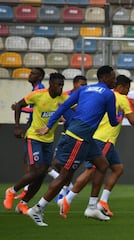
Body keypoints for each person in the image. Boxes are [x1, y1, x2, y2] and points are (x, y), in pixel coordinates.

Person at [26, 65, 120, 227]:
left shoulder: (85, 90)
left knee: (102, 165)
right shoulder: (109, 94)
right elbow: (112, 121)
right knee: (65, 176)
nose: (115, 80)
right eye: (113, 77)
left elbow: (63, 106)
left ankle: (92, 207)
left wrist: (49, 125)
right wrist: (119, 115)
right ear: (104, 77)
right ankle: (37, 208)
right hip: (79, 138)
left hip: (84, 136)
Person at [58, 74, 134, 218]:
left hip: (102, 139)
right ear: (121, 87)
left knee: (118, 168)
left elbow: (77, 107)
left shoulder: (103, 96)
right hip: (104, 139)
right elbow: (133, 121)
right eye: (127, 88)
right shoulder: (121, 98)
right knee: (92, 170)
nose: (128, 92)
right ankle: (68, 199)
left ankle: (102, 202)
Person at [3, 72, 67, 215]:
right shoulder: (38, 95)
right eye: (58, 85)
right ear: (51, 84)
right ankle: (11, 191)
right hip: (34, 138)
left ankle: (23, 204)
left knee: (42, 174)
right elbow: (19, 105)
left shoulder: (63, 98)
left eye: (62, 85)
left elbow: (77, 107)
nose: (61, 88)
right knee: (37, 170)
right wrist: (17, 126)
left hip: (49, 141)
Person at [10, 67, 46, 200]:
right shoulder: (35, 89)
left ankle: (26, 189)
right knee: (29, 160)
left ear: (40, 77)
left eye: (33, 74)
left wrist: (20, 108)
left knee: (35, 163)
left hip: (36, 129)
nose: (30, 75)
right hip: (33, 127)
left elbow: (36, 110)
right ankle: (26, 188)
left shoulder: (39, 89)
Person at [54, 75, 88, 202]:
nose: (84, 87)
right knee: (57, 162)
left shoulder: (86, 98)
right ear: (74, 84)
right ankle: (68, 186)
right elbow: (56, 107)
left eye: (85, 84)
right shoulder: (65, 96)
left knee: (69, 164)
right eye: (81, 84)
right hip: (66, 132)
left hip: (77, 134)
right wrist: (59, 117)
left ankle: (64, 190)